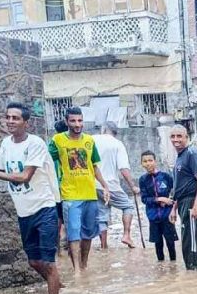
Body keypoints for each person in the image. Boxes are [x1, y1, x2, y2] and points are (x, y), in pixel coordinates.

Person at [0, 102, 61, 294]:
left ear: (25, 123)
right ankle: (57, 283)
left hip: (44, 208)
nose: (10, 121)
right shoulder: (6, 144)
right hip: (24, 212)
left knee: (48, 262)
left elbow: (25, 176)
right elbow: (2, 170)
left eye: (15, 118)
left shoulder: (35, 143)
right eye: (8, 117)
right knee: (34, 262)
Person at [49, 106, 110, 274]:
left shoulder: (89, 141)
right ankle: (76, 269)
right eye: (73, 121)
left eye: (80, 120)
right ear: (66, 122)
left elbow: (94, 166)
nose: (77, 124)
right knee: (73, 233)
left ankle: (84, 264)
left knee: (88, 233)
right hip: (70, 194)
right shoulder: (57, 141)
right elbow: (47, 161)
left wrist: (105, 185)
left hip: (89, 193)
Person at [171, 124, 197, 270]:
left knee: (190, 245)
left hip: (192, 202)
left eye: (179, 136)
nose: (176, 139)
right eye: (173, 136)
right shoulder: (180, 157)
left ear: (186, 137)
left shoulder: (191, 154)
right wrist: (174, 208)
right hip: (184, 202)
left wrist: (196, 205)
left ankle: (193, 279)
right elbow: (180, 186)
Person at [93, 122, 139, 249]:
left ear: (103, 130)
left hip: (93, 184)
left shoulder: (91, 140)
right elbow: (123, 169)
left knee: (102, 214)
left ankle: (104, 245)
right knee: (128, 206)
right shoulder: (117, 144)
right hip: (110, 184)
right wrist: (133, 186)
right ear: (115, 132)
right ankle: (126, 235)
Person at [138, 150, 177, 262]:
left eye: (150, 160)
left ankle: (173, 265)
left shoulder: (165, 176)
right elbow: (144, 199)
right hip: (153, 216)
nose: (148, 163)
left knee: (170, 242)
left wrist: (171, 203)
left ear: (155, 161)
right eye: (145, 161)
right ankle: (161, 266)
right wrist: (159, 199)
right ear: (142, 164)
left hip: (167, 215)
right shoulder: (143, 180)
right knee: (158, 243)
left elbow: (175, 191)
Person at [53, 118, 68, 251]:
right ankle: (70, 245)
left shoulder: (51, 143)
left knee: (58, 217)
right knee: (68, 216)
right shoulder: (67, 143)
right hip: (67, 186)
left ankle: (57, 247)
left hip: (54, 187)